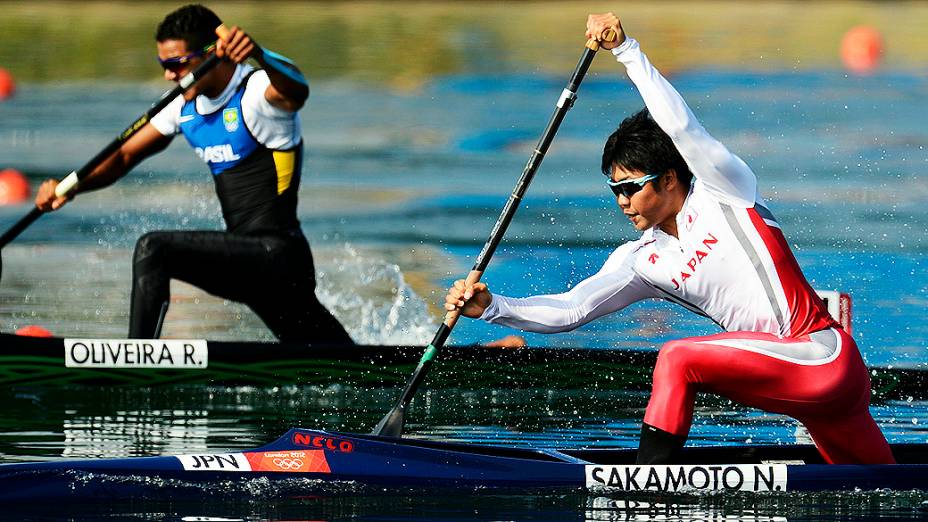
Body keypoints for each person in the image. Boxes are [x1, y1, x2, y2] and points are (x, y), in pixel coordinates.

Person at [444, 12, 894, 465]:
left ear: (671, 178)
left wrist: (626, 52)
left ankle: (646, 488)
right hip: (800, 395)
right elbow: (573, 308)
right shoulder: (640, 260)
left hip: (824, 359)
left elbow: (682, 129)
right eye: (613, 190)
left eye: (630, 187)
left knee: (677, 357)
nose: (621, 201)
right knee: (886, 488)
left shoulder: (726, 192)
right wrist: (492, 308)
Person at [35, 4, 353, 345]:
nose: (169, 75)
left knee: (154, 249)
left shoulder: (256, 91)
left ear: (213, 54)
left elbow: (297, 90)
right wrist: (70, 186)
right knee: (335, 360)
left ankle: (133, 361)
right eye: (163, 66)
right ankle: (387, 372)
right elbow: (124, 154)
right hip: (249, 263)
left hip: (278, 257)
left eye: (176, 64)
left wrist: (260, 53)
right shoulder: (183, 104)